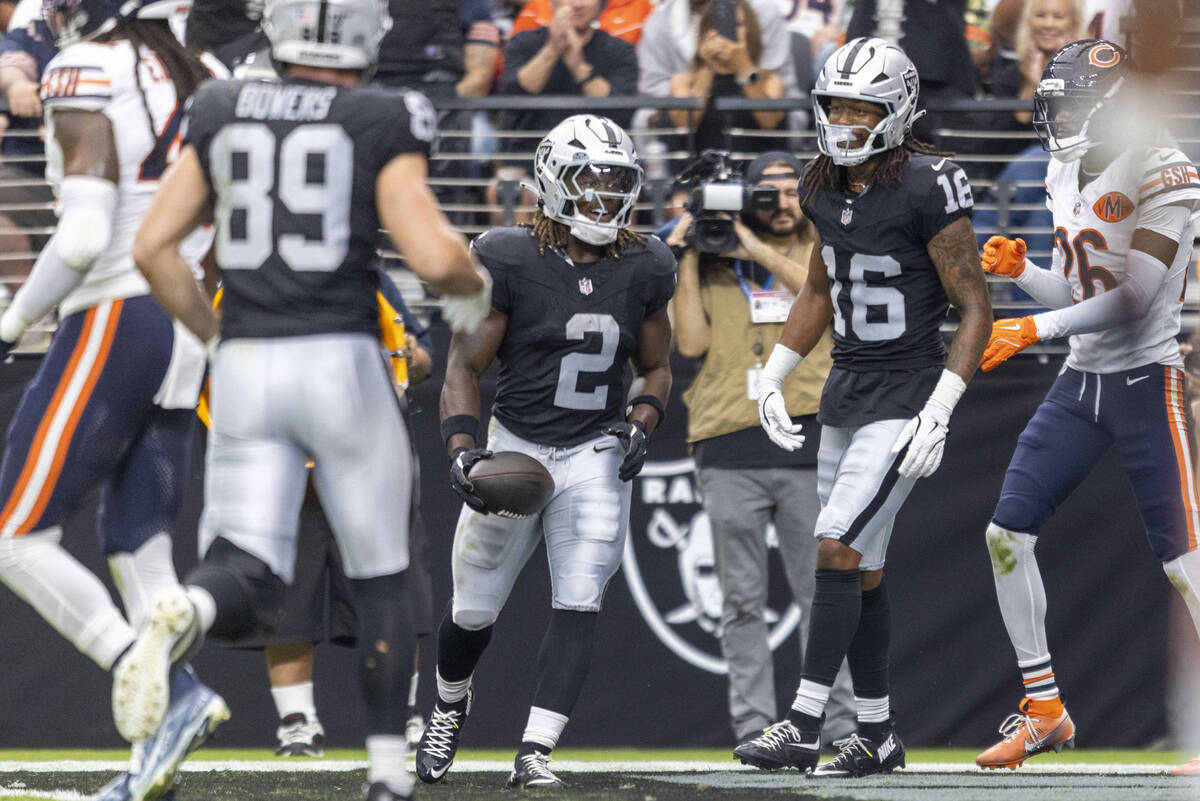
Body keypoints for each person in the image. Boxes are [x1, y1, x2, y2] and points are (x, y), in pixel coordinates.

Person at [112, 0, 492, 798]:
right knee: (384, 574)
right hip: (342, 360)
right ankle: (389, 771)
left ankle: (184, 607)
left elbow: (154, 248)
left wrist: (218, 338)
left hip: (249, 360)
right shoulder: (381, 113)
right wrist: (469, 283)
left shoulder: (222, 105)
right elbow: (427, 251)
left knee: (248, 568)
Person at [732, 37, 992, 777]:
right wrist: (775, 376)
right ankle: (877, 733)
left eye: (861, 108)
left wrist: (940, 407)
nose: (845, 120)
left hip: (906, 393)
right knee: (863, 567)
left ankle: (805, 721)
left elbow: (974, 308)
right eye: (836, 105)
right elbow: (821, 286)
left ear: (898, 111)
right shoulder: (819, 183)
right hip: (846, 389)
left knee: (835, 547)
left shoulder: (927, 183)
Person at [0, 0, 232, 798]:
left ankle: (174, 696)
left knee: (13, 533)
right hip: (188, 318)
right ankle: (148, 763)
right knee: (141, 545)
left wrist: (14, 319)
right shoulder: (210, 76)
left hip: (117, 307)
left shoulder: (87, 66)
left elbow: (86, 233)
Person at [414, 113, 675, 790]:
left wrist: (643, 419)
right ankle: (448, 702)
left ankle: (535, 749)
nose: (605, 197)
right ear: (554, 182)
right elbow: (463, 368)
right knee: (472, 609)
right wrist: (464, 449)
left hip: (593, 448)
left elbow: (656, 367)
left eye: (617, 183)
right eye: (591, 181)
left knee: (580, 596)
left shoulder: (646, 263)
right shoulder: (507, 257)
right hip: (516, 442)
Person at [971, 39, 1200, 772]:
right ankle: (1044, 709)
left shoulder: (1165, 171)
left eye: (1071, 105)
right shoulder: (1065, 164)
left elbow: (1132, 299)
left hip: (1144, 381)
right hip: (1081, 380)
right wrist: (1028, 273)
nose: (1059, 119)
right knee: (1006, 533)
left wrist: (1033, 324)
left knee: (1187, 563)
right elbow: (1082, 294)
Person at [665, 150, 857, 747]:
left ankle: (841, 727)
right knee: (741, 602)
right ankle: (753, 726)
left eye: (788, 192)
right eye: (765, 194)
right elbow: (690, 343)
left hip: (806, 439)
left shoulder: (820, 248)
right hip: (727, 444)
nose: (778, 205)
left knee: (819, 594)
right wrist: (687, 251)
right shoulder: (713, 260)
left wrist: (753, 249)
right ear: (745, 198)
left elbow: (822, 299)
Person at [667, 0, 785, 156]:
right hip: (701, 168)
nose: (728, 32)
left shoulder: (770, 81)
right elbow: (684, 124)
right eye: (716, 26)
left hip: (752, 168)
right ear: (705, 32)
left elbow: (770, 122)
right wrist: (708, 67)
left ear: (751, 31)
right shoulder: (683, 81)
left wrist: (744, 69)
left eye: (738, 25)